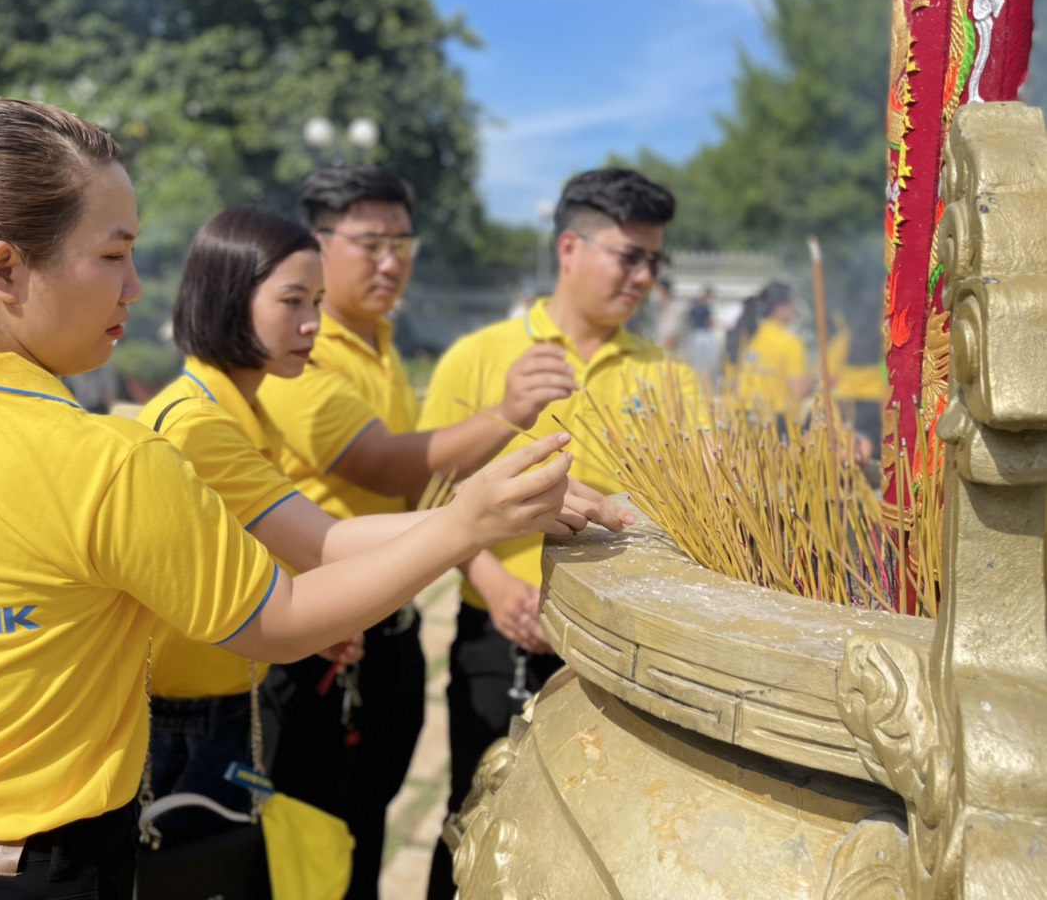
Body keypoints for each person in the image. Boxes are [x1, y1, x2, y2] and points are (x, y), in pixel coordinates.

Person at [0, 98, 575, 900]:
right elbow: (285, 619)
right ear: (5, 270)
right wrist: (469, 522)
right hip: (38, 873)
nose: (135, 285)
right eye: (114, 255)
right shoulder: (109, 462)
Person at [255, 166, 584, 899]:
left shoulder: (382, 345)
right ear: (315, 243)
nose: (391, 261)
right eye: (371, 243)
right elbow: (379, 464)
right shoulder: (299, 351)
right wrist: (506, 416)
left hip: (388, 625)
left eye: (403, 242)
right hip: (319, 635)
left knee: (366, 819)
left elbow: (419, 491)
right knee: (305, 837)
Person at [418, 167, 700, 900]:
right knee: (476, 817)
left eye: (654, 261)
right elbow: (429, 496)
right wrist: (495, 582)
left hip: (618, 654)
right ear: (569, 248)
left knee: (598, 835)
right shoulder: (483, 357)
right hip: (500, 637)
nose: (643, 277)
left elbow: (691, 505)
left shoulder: (670, 377)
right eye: (628, 256)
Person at [725, 280, 812, 417]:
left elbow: (731, 382)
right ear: (779, 308)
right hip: (776, 421)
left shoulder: (745, 335)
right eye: (793, 304)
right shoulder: (791, 343)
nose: (796, 310)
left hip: (740, 418)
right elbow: (798, 390)